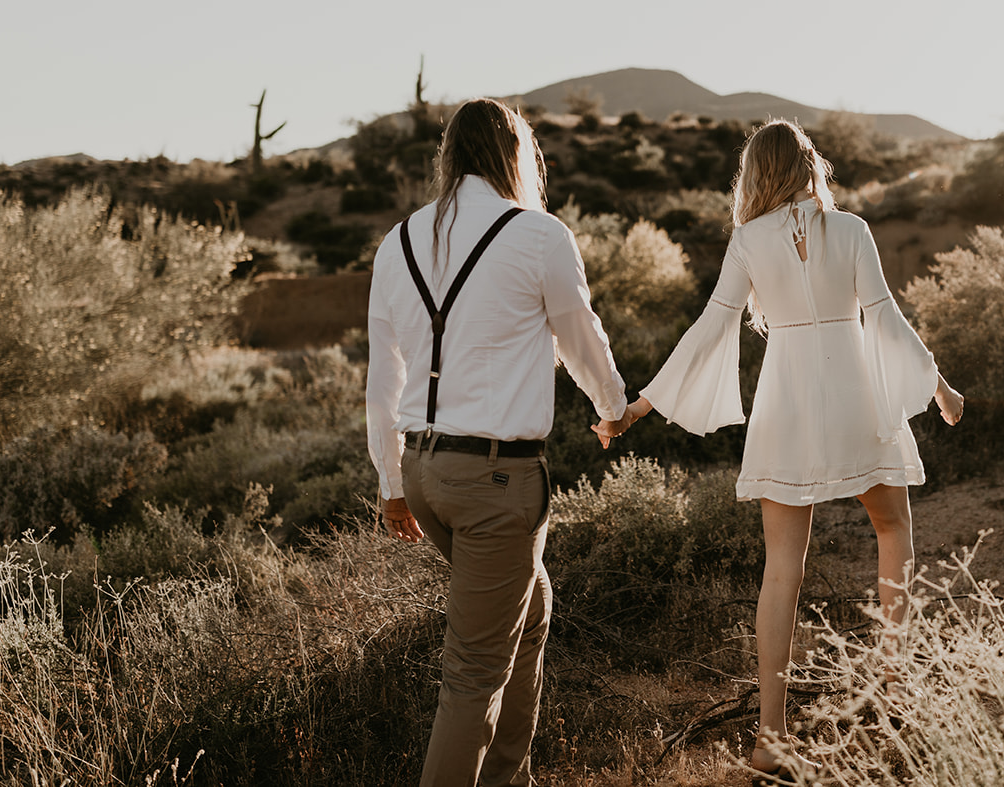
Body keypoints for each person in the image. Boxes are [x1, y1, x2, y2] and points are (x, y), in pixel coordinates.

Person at [593, 118, 964, 778]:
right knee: (894, 526)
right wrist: (937, 382)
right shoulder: (849, 228)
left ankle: (770, 737)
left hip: (786, 402)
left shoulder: (747, 240)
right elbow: (884, 316)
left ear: (754, 175)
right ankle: (896, 698)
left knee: (781, 565)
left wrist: (641, 404)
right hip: (854, 394)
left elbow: (712, 324)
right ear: (809, 162)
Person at [367, 98, 628, 787]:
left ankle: (509, 778)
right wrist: (613, 408)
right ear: (517, 155)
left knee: (532, 608)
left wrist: (392, 484)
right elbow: (582, 338)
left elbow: (381, 377)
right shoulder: (538, 234)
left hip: (425, 475)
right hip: (495, 484)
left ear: (448, 156)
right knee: (472, 676)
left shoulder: (397, 242)